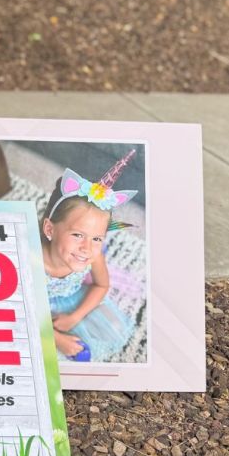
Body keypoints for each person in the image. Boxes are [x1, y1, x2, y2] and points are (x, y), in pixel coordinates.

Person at [41, 151, 139, 362]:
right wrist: (55, 338)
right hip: (32, 307)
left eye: (97, 239)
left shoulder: (93, 257)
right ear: (50, 229)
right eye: (77, 235)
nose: (87, 248)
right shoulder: (31, 261)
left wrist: (75, 317)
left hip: (71, 301)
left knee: (113, 327)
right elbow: (12, 308)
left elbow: (101, 286)